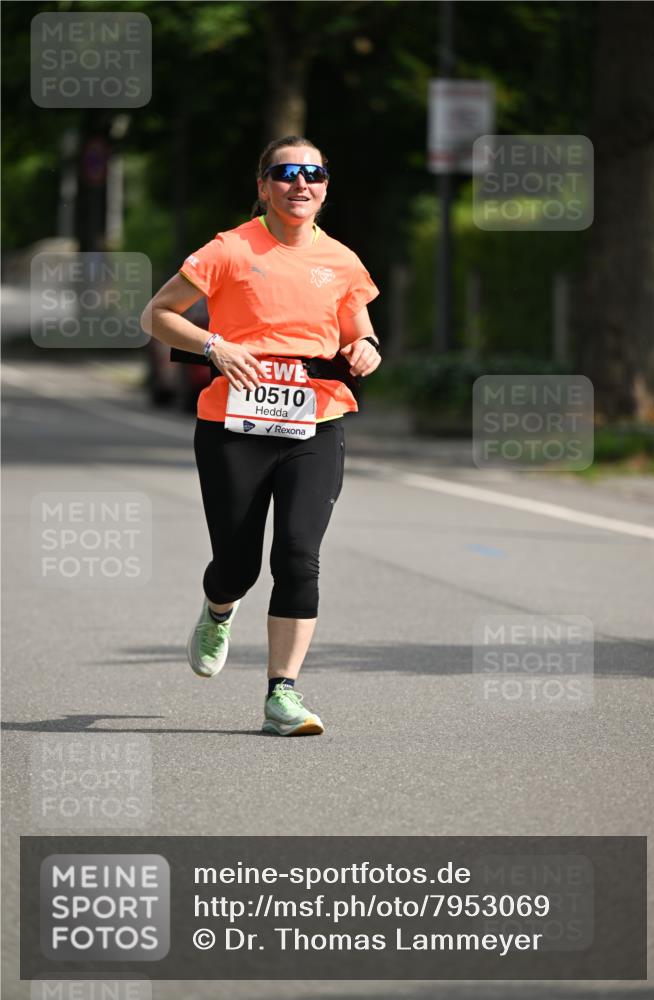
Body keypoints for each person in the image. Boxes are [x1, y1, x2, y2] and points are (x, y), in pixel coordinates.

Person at [140, 135, 381, 736]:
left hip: (315, 422)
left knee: (299, 555)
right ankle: (219, 607)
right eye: (287, 173)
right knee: (238, 563)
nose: (302, 184)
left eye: (315, 174)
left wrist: (366, 350)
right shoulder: (230, 249)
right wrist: (215, 345)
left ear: (326, 187)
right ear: (263, 186)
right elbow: (157, 315)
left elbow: (363, 334)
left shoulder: (344, 261)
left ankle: (283, 694)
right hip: (233, 426)